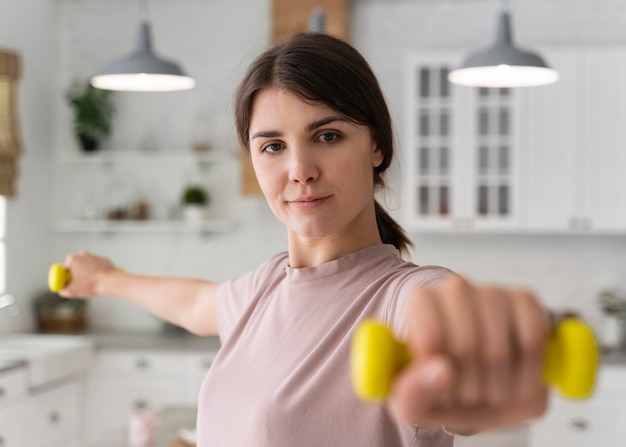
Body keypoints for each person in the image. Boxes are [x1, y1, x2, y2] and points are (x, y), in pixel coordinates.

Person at [59, 33, 549, 446]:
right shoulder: (266, 285)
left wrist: (472, 374)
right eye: (273, 146)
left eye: (328, 136)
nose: (300, 171)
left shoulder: (404, 298)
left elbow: (449, 348)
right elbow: (194, 303)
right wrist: (105, 279)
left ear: (376, 145)